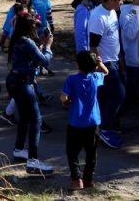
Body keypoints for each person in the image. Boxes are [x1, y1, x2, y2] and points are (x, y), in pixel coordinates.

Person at [7, 12, 54, 174]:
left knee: (25, 117)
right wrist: (48, 47)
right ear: (29, 27)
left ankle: (19, 149)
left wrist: (40, 47)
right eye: (35, 26)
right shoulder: (27, 42)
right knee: (36, 120)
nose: (38, 29)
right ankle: (33, 161)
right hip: (23, 84)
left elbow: (30, 57)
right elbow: (45, 62)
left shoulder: (18, 39)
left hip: (14, 80)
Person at [61, 51, 108, 191]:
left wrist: (67, 101)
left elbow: (63, 98)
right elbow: (106, 72)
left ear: (77, 64)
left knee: (72, 152)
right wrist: (100, 62)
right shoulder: (95, 77)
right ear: (94, 66)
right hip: (93, 122)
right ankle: (88, 179)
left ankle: (76, 180)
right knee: (91, 152)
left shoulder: (71, 80)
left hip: (76, 122)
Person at [88, 0, 124, 149]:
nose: (121, 3)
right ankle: (105, 128)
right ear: (110, 0)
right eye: (119, 0)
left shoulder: (113, 12)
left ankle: (99, 125)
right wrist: (99, 65)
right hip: (105, 63)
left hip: (114, 60)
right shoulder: (98, 17)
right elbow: (93, 46)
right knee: (118, 94)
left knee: (105, 96)